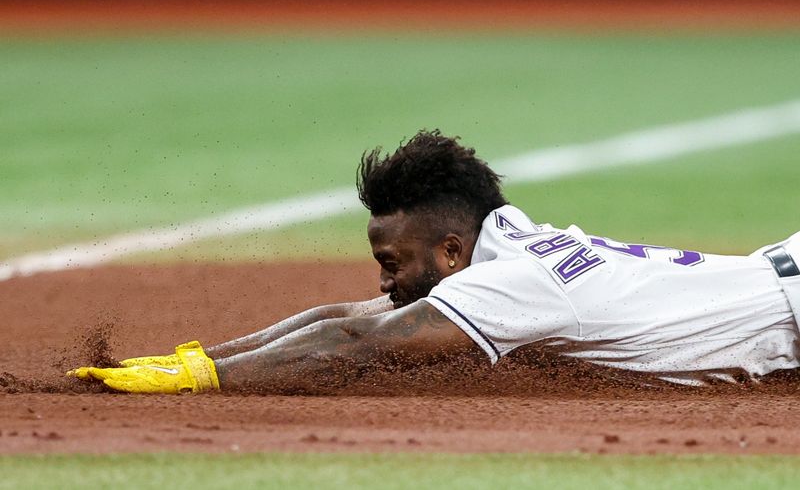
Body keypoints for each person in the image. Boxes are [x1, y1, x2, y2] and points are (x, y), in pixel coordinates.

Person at [70, 130, 800, 393]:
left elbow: (355, 343)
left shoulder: (514, 280)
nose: (384, 280)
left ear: (453, 251)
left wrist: (200, 379)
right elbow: (344, 316)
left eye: (394, 261)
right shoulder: (507, 241)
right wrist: (191, 356)